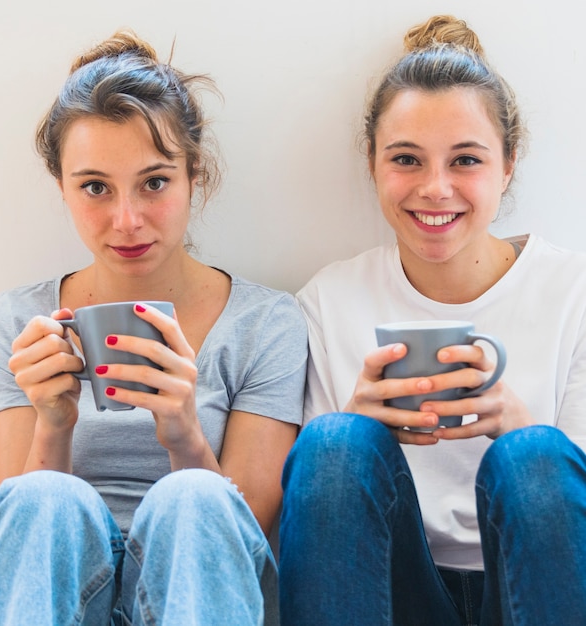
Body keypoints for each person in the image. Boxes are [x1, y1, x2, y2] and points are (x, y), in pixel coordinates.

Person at [279, 14, 586, 626]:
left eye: (466, 159)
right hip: (391, 591)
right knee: (335, 443)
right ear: (372, 164)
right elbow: (309, 524)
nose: (436, 188)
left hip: (536, 586)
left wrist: (521, 426)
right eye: (407, 159)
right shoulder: (328, 301)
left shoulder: (573, 292)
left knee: (532, 457)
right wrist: (358, 428)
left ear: (508, 165)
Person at [0, 30, 307, 626]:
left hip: (196, 593)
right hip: (62, 597)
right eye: (94, 188)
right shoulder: (15, 323)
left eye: (155, 182)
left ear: (196, 175)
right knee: (41, 497)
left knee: (195, 496)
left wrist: (184, 433)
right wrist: (54, 424)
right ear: (61, 187)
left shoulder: (265, 323)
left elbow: (251, 531)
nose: (127, 219)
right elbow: (15, 542)